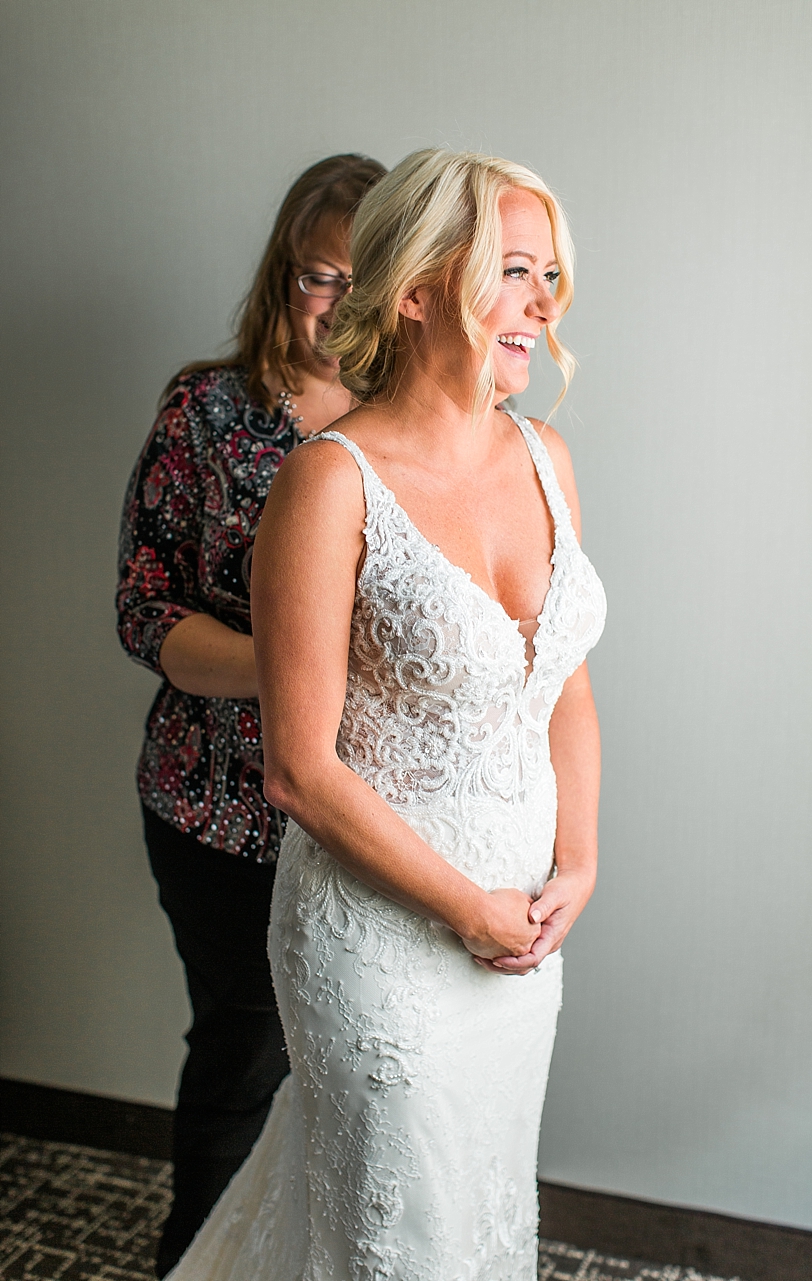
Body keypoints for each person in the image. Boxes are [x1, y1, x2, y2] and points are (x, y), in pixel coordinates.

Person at [162, 148, 606, 1279]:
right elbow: (301, 770)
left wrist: (581, 863)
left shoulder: (547, 457)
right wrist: (466, 908)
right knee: (396, 1235)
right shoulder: (329, 482)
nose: (542, 303)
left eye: (548, 274)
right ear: (414, 290)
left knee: (480, 1204)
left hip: (523, 936)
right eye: (512, 271)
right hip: (381, 941)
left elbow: (564, 686)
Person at [115, 152, 386, 1277]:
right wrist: (290, 672)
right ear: (285, 273)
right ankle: (198, 1261)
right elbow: (143, 613)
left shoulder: (427, 427)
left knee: (362, 1065)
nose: (337, 307)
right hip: (215, 810)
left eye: (364, 282)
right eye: (319, 277)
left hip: (376, 816)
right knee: (244, 1052)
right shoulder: (208, 412)